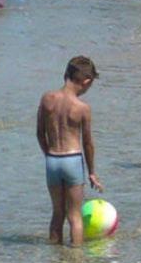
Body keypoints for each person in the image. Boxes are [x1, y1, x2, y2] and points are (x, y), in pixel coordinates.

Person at [36, 56, 101, 245]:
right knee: (74, 216)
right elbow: (88, 144)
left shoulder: (47, 99)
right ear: (86, 81)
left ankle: (55, 255)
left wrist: (48, 155)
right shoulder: (82, 108)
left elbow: (39, 133)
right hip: (72, 160)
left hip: (52, 159)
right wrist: (92, 172)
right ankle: (75, 258)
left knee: (58, 213)